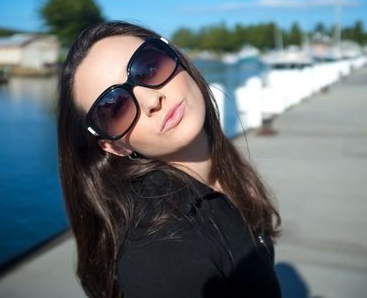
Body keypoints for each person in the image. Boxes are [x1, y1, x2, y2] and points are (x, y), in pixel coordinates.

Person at [57, 20, 282, 298]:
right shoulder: (163, 249)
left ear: (177, 58)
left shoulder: (225, 172)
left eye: (149, 67)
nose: (152, 101)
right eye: (115, 108)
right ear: (115, 147)